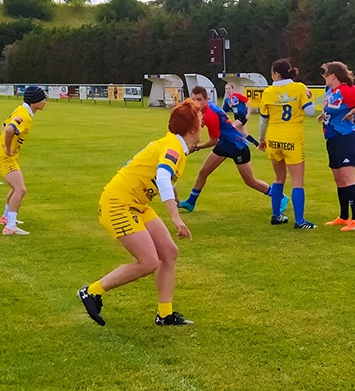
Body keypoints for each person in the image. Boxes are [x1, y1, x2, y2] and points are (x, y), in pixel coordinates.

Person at [78, 100, 202, 327]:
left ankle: (165, 314)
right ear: (193, 129)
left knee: (169, 252)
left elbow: (156, 174)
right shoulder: (173, 148)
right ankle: (91, 292)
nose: (202, 127)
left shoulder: (171, 145)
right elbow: (163, 176)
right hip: (118, 203)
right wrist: (176, 216)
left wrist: (173, 191)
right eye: (200, 122)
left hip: (137, 203)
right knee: (148, 262)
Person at [178, 85, 288, 215]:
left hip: (238, 147)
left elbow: (214, 140)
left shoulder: (211, 114)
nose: (196, 103)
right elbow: (203, 124)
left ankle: (280, 197)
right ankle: (191, 202)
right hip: (225, 144)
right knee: (203, 172)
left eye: (199, 99)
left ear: (207, 99)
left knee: (250, 181)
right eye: (193, 99)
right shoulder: (204, 110)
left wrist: (196, 147)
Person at [259, 58, 317, 229]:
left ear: (276, 74)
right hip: (292, 137)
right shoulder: (299, 87)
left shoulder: (268, 92)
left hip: (273, 137)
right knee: (297, 181)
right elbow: (311, 112)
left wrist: (262, 140)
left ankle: (276, 215)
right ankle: (300, 221)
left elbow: (263, 121)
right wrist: (308, 97)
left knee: (279, 177)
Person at [318, 61, 355, 231]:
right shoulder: (332, 92)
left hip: (344, 137)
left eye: (326, 75)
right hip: (332, 138)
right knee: (339, 179)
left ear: (333, 76)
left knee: (348, 179)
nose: (324, 78)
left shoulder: (346, 90)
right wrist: (323, 114)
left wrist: (352, 112)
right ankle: (343, 216)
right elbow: (333, 108)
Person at [0, 86, 47, 235]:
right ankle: (10, 226)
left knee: (16, 188)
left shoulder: (22, 111)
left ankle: (6, 217)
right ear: (34, 101)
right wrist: (7, 148)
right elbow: (9, 129)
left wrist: (4, 143)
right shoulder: (24, 114)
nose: (45, 102)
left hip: (6, 156)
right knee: (20, 189)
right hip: (4, 157)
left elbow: (4, 125)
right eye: (43, 98)